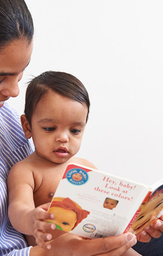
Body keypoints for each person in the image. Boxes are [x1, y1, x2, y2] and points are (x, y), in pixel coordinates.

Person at [0, 0, 163, 256]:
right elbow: (26, 215)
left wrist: (134, 220)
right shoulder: (20, 169)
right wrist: (50, 249)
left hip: (77, 242)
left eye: (20, 74)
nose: (14, 92)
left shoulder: (0, 115)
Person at [7, 71, 141, 255]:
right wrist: (32, 219)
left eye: (75, 130)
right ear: (27, 126)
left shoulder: (86, 167)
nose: (63, 138)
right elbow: (17, 209)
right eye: (49, 128)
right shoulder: (26, 170)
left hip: (95, 244)